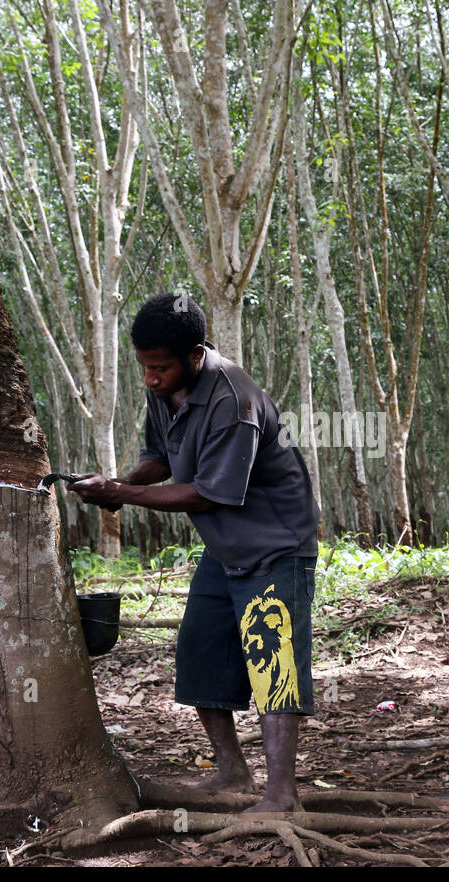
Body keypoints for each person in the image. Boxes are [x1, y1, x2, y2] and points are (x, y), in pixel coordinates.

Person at [69, 292, 320, 813]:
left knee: (274, 667)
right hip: (223, 550)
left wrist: (121, 496)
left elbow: (209, 492)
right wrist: (117, 481)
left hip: (275, 549)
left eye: (159, 368)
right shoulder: (164, 390)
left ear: (195, 354)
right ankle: (232, 774)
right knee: (201, 657)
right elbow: (159, 458)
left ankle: (282, 797)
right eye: (143, 367)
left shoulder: (235, 401)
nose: (150, 379)